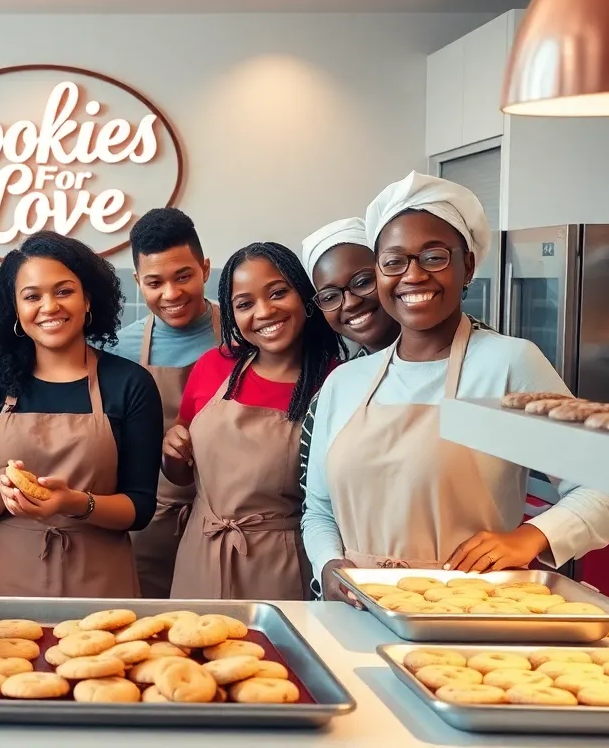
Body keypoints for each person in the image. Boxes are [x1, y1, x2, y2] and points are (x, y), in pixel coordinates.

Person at [303, 172, 609, 603]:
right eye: (394, 261)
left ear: (468, 266)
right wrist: (328, 565)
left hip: (471, 608)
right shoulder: (344, 383)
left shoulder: (509, 362)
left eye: (435, 257)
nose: (413, 275)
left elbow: (607, 481)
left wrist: (531, 536)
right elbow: (318, 510)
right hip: (357, 605)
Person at [0, 232, 163, 598]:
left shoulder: (130, 384)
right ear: (16, 310)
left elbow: (140, 506)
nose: (49, 306)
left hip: (101, 583)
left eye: (64, 291)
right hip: (7, 579)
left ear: (87, 300)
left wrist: (73, 503)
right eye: (32, 296)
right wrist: (0, 487)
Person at [162, 242, 339, 600]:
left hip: (283, 565)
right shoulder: (213, 366)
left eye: (278, 293)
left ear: (305, 297)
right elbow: (182, 473)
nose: (264, 311)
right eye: (244, 304)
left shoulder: (335, 381)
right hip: (202, 554)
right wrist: (172, 452)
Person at [104, 207, 219, 598]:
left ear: (205, 268)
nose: (171, 294)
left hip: (222, 521)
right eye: (155, 282)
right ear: (138, 282)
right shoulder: (120, 348)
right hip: (148, 521)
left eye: (183, 276)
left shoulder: (243, 337)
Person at [301, 217, 400, 358]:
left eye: (363, 282)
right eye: (330, 296)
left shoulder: (441, 353)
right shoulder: (343, 378)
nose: (351, 303)